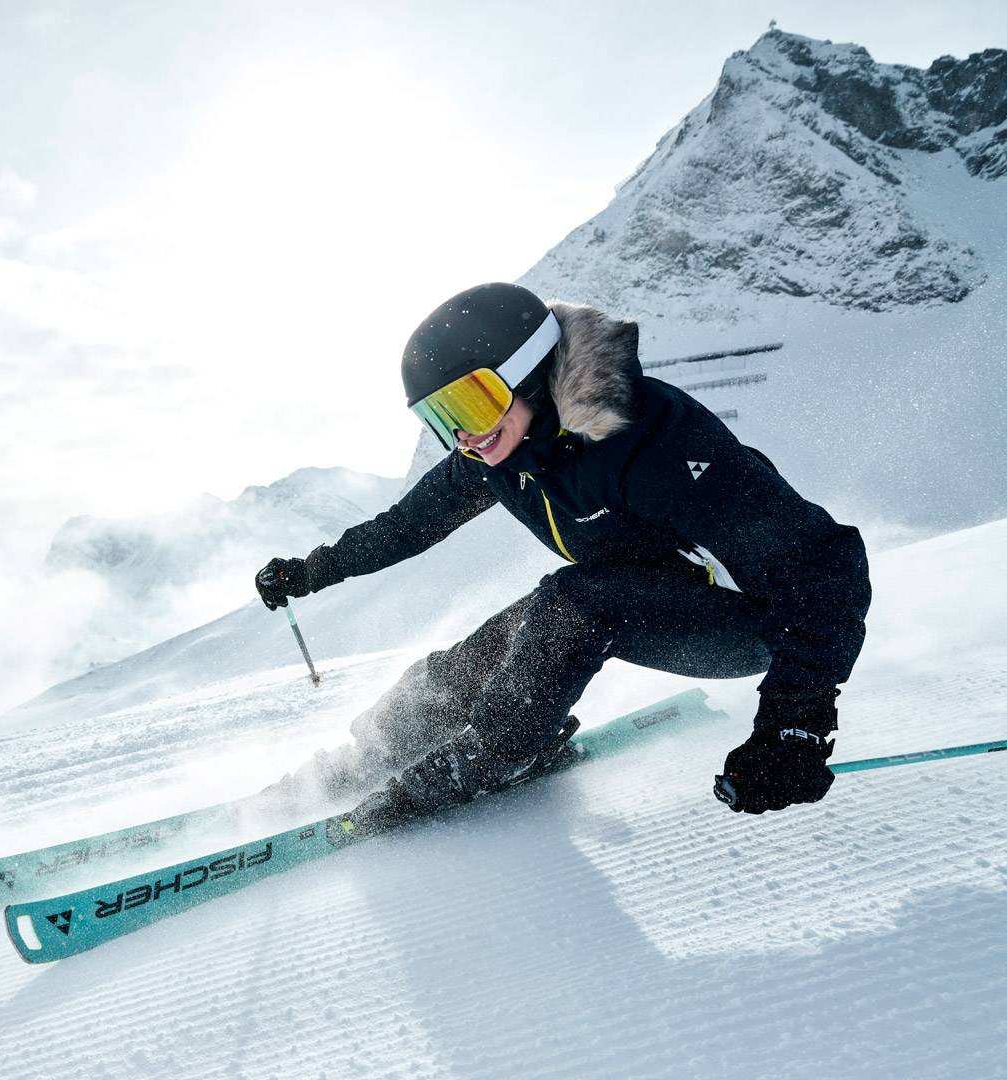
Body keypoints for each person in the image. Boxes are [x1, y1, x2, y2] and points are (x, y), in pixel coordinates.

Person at [254, 283, 871, 818]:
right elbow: (404, 527)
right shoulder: (494, 458)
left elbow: (824, 569)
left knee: (571, 604)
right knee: (497, 648)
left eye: (471, 403)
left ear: (531, 375)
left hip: (764, 624)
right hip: (628, 599)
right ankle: (368, 757)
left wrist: (797, 719)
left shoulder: (651, 434)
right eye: (442, 417)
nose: (465, 434)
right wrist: (309, 572)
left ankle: (491, 755)